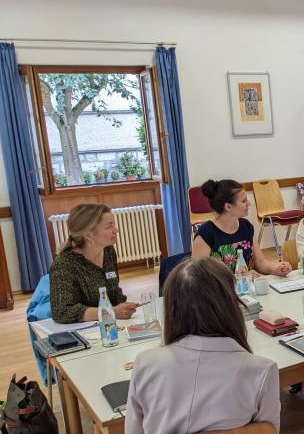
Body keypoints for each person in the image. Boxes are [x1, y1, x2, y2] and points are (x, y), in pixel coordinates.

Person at [126, 257, 280, 433]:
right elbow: (271, 429)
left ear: (171, 310)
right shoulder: (261, 369)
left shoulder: (145, 363)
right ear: (231, 306)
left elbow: (133, 429)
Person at [50, 203, 137, 324]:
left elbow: (114, 292)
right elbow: (61, 311)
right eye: (109, 226)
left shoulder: (108, 251)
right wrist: (110, 312)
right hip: (85, 331)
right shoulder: (64, 263)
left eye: (114, 224)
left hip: (112, 326)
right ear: (88, 234)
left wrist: (124, 306)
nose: (116, 230)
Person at [192, 179, 290, 276]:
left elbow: (260, 262)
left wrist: (277, 268)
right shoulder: (206, 233)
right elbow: (199, 277)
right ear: (228, 207)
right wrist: (240, 278)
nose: (249, 203)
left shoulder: (245, 226)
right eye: (244, 201)